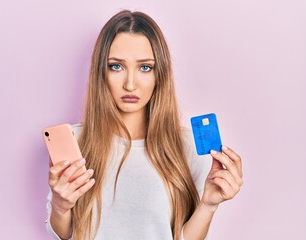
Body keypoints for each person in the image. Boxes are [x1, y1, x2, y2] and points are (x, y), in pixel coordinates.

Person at [45, 10, 243, 240]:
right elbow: (63, 235)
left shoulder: (186, 146)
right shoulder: (74, 141)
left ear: (160, 74)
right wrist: (61, 206)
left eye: (145, 67)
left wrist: (208, 205)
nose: (130, 84)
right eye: (116, 66)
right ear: (101, 72)